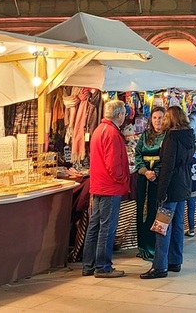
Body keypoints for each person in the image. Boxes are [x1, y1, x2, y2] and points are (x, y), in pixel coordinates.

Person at [141, 105, 196, 279]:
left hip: (171, 188)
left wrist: (161, 191)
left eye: (165, 118)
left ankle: (159, 266)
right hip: (183, 185)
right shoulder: (189, 135)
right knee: (178, 224)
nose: (162, 121)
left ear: (171, 119)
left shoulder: (172, 137)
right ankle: (175, 260)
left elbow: (168, 167)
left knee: (162, 226)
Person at [81, 99, 131, 278]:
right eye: (124, 114)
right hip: (109, 187)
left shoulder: (98, 131)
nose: (125, 117)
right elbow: (113, 164)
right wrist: (123, 178)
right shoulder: (112, 133)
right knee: (107, 227)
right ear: (119, 115)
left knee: (94, 226)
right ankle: (103, 266)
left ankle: (88, 265)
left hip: (98, 185)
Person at [133, 105, 166, 260]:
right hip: (143, 178)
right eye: (154, 118)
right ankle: (143, 246)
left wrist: (156, 173)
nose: (157, 121)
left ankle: (156, 247)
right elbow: (137, 154)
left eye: (160, 118)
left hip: (158, 180)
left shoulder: (168, 136)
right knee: (142, 212)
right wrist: (145, 171)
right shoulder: (145, 136)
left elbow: (168, 159)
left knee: (155, 212)